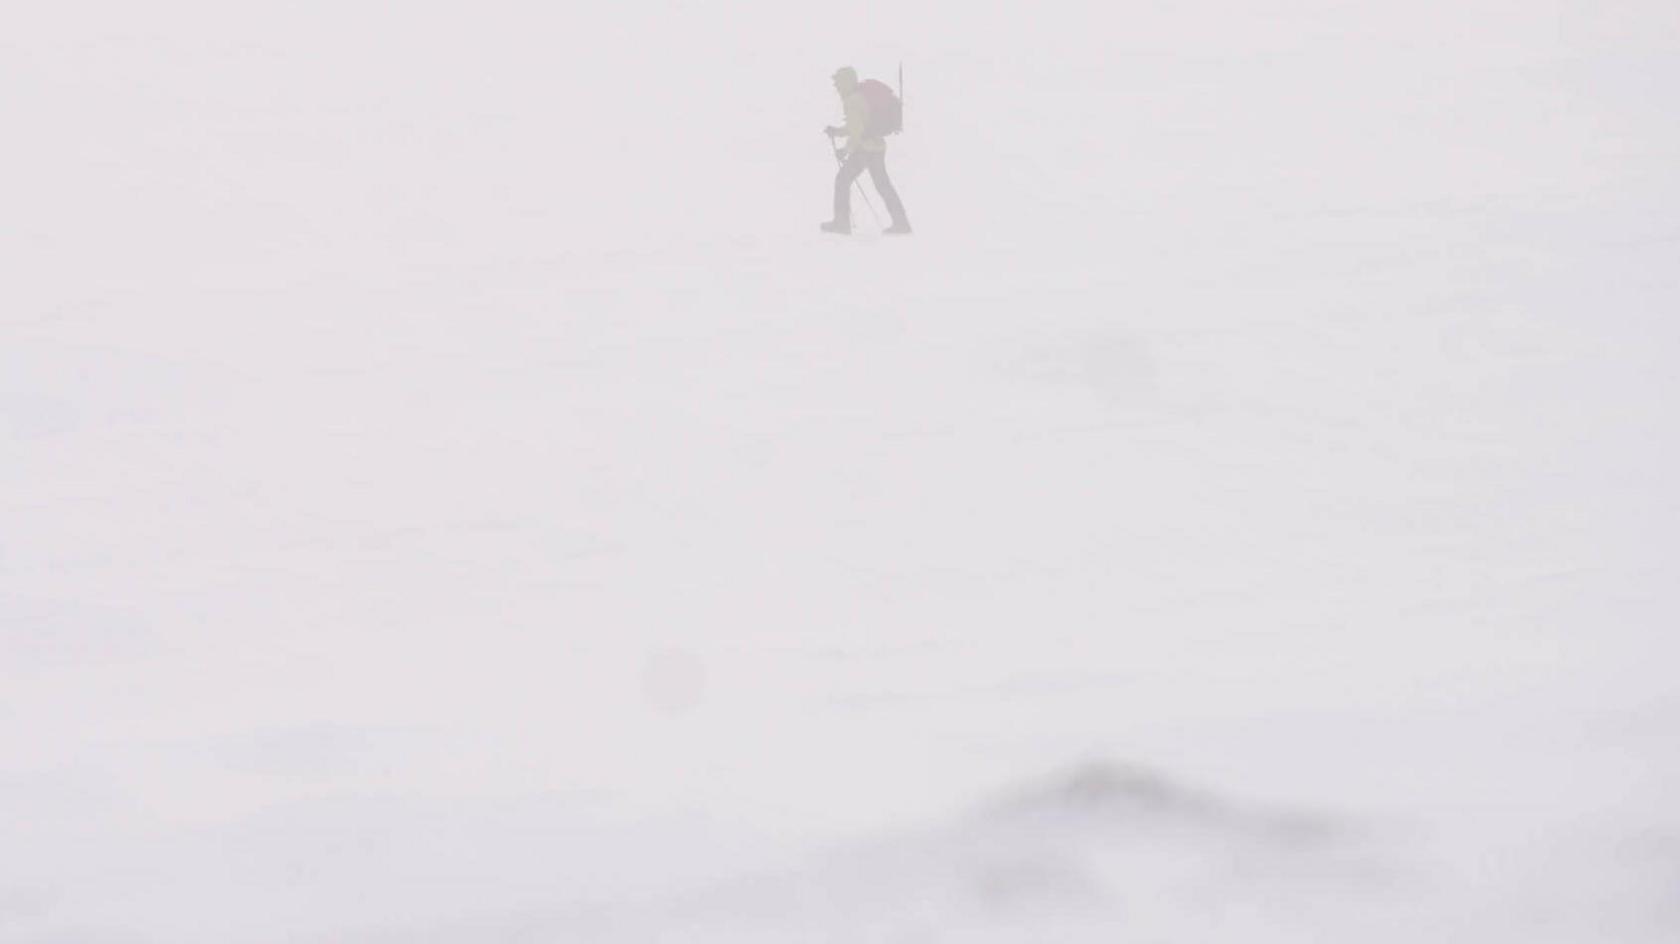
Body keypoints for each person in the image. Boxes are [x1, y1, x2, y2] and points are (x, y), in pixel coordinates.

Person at [822, 67, 912, 235]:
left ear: (846, 82)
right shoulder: (860, 96)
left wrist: (845, 150)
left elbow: (856, 133)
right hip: (877, 148)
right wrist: (838, 131)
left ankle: (841, 223)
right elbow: (859, 126)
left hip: (864, 150)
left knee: (842, 180)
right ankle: (901, 223)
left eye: (838, 83)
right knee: (883, 185)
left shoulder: (851, 101)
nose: (836, 87)